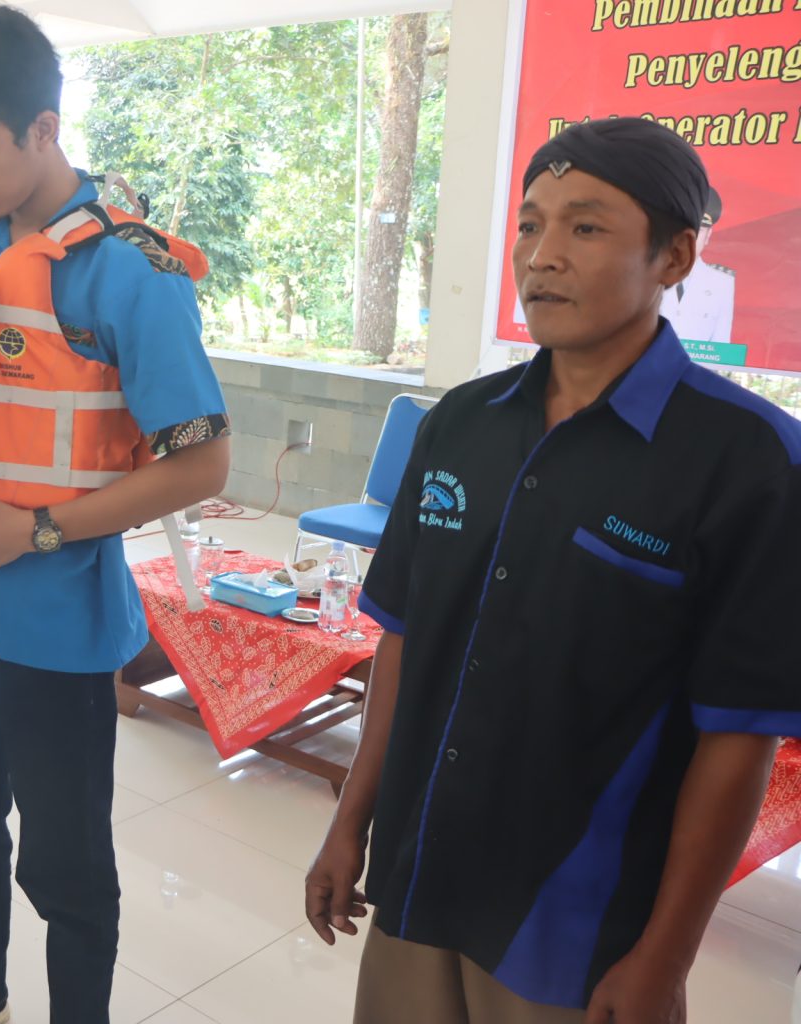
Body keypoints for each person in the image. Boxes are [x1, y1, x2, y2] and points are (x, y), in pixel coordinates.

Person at [304, 117, 800, 1024]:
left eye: (586, 226)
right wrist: (349, 823)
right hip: (419, 875)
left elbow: (739, 736)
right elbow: (405, 643)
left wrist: (664, 958)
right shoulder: (459, 423)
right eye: (530, 225)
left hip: (575, 922)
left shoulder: (751, 463)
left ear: (675, 257)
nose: (543, 257)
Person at [0, 8, 231, 1023]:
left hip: (56, 624)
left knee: (67, 869)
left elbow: (204, 463)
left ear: (43, 128)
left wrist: (36, 531)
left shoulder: (128, 272)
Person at [660, 187, 735, 344]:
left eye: (699, 230)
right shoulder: (645, 273)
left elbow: (721, 349)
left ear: (708, 236)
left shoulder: (723, 284)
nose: (690, 237)